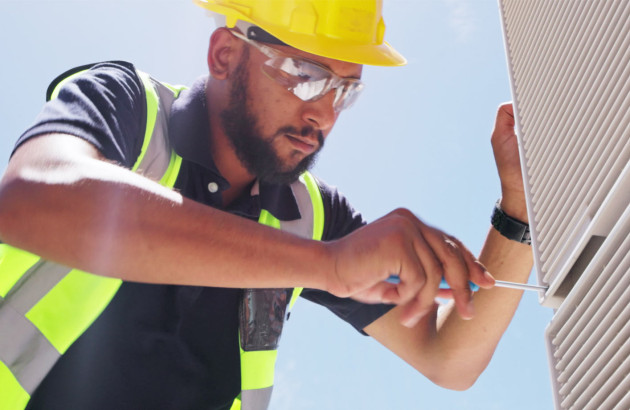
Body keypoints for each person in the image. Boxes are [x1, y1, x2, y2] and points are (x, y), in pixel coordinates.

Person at [0, 1, 533, 409]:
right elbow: (32, 199)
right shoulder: (129, 106)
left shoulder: (313, 217)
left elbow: (448, 359)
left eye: (345, 91)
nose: (325, 114)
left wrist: (521, 210)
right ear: (225, 55)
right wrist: (328, 266)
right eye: (306, 77)